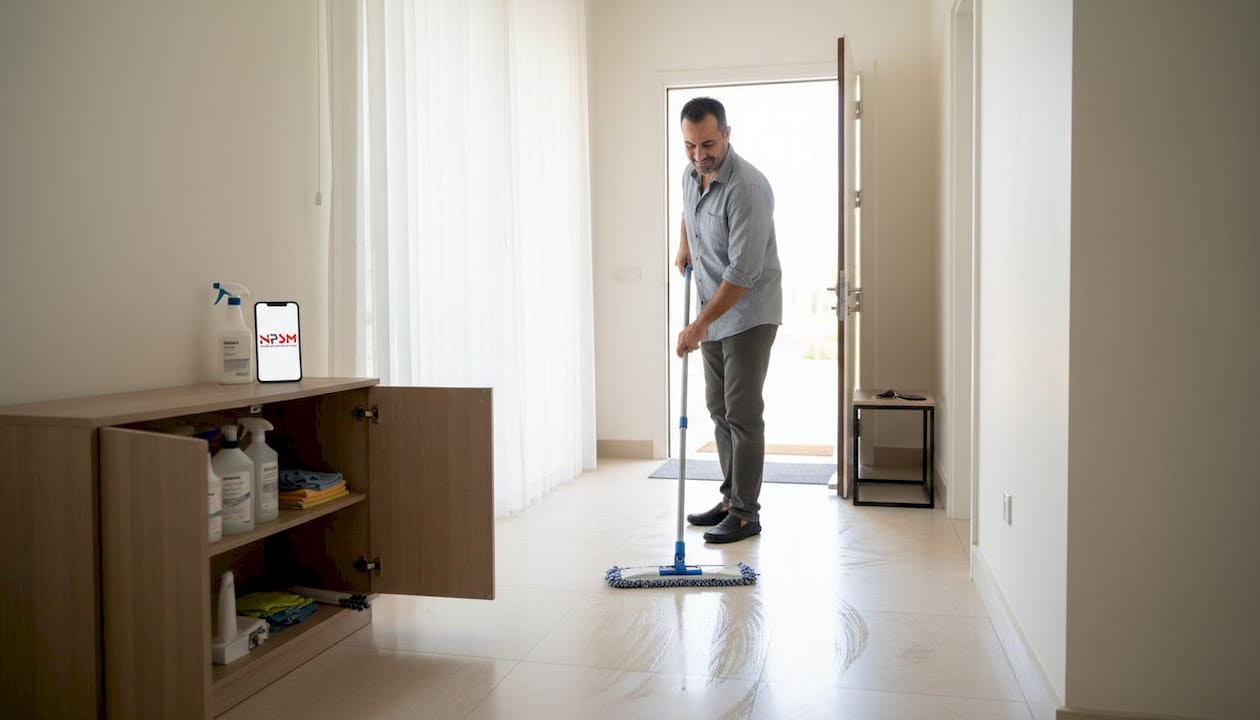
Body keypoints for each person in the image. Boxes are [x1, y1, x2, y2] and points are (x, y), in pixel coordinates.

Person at [674, 97, 782, 544]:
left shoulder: (748, 189)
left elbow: (742, 275)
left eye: (708, 144)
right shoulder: (691, 175)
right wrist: (684, 244)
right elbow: (688, 209)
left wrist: (697, 326)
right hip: (712, 311)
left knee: (741, 413)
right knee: (718, 411)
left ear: (727, 134)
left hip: (748, 315)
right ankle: (728, 498)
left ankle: (745, 514)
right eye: (690, 145)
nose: (700, 156)